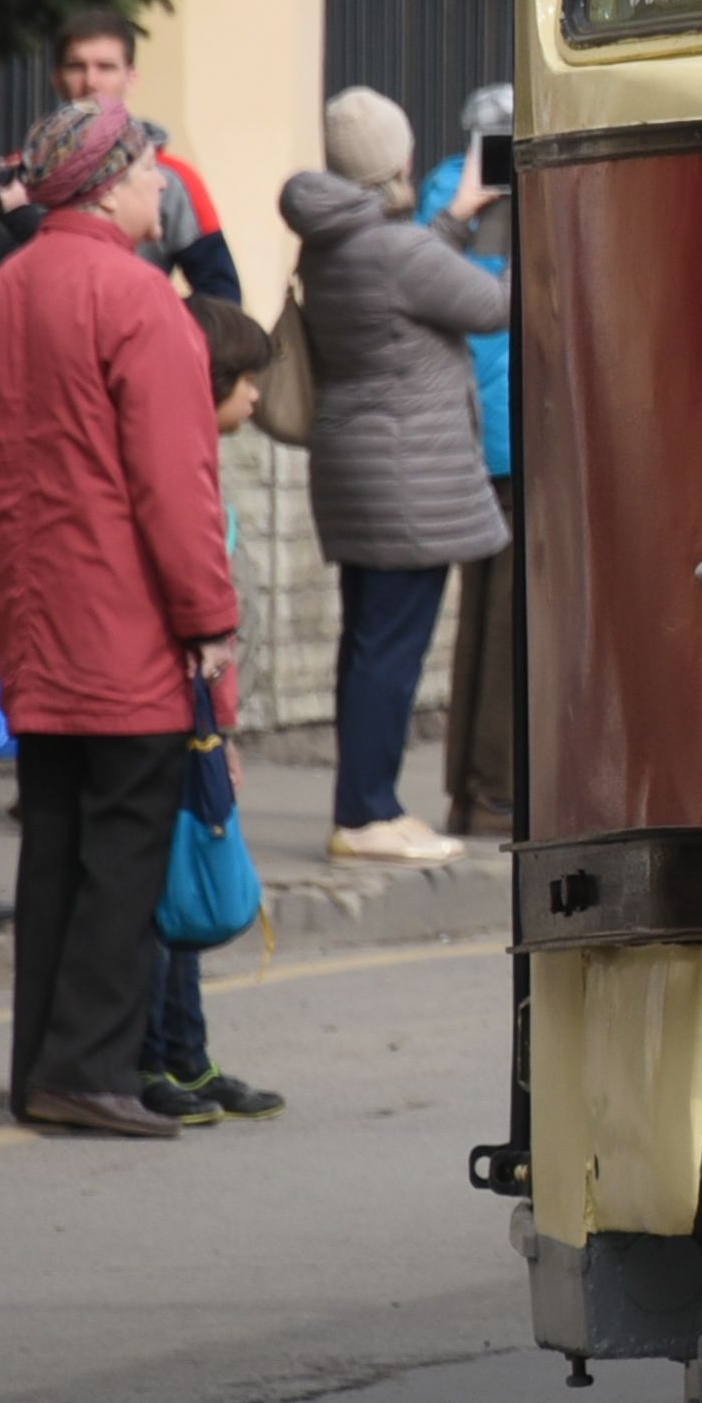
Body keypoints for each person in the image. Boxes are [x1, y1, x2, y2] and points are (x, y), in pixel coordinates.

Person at [0, 100, 244, 1138]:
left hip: (35, 616)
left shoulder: (7, 288)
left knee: (51, 843)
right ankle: (89, 1065)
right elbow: (177, 484)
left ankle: (40, 1060)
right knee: (125, 847)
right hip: (126, 617)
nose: (160, 183)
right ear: (106, 184)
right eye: (147, 168)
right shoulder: (140, 298)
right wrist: (210, 616)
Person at [280, 88, 506, 867]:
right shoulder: (394, 251)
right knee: (390, 652)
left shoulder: (336, 240)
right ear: (400, 159)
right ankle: (366, 816)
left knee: (367, 643)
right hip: (408, 478)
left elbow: (413, 268)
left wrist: (460, 213)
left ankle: (366, 803)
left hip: (359, 469)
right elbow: (492, 303)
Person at [141, 295, 288, 1125]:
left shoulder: (197, 463)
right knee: (169, 892)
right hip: (180, 716)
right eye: (248, 382)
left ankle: (187, 1057)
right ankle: (158, 1058)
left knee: (182, 886)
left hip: (193, 717)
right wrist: (219, 730)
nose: (259, 397)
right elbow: (210, 616)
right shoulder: (182, 475)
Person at [416, 84, 518, 841]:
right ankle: (491, 795)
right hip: (510, 442)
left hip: (469, 438)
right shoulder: (477, 203)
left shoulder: (442, 200)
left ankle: (469, 793)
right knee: (509, 631)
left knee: (481, 626)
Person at [50, 9, 246, 304]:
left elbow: (221, 296)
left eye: (106, 67)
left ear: (131, 78)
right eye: (77, 67)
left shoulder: (173, 180)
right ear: (56, 78)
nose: (91, 81)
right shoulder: (24, 179)